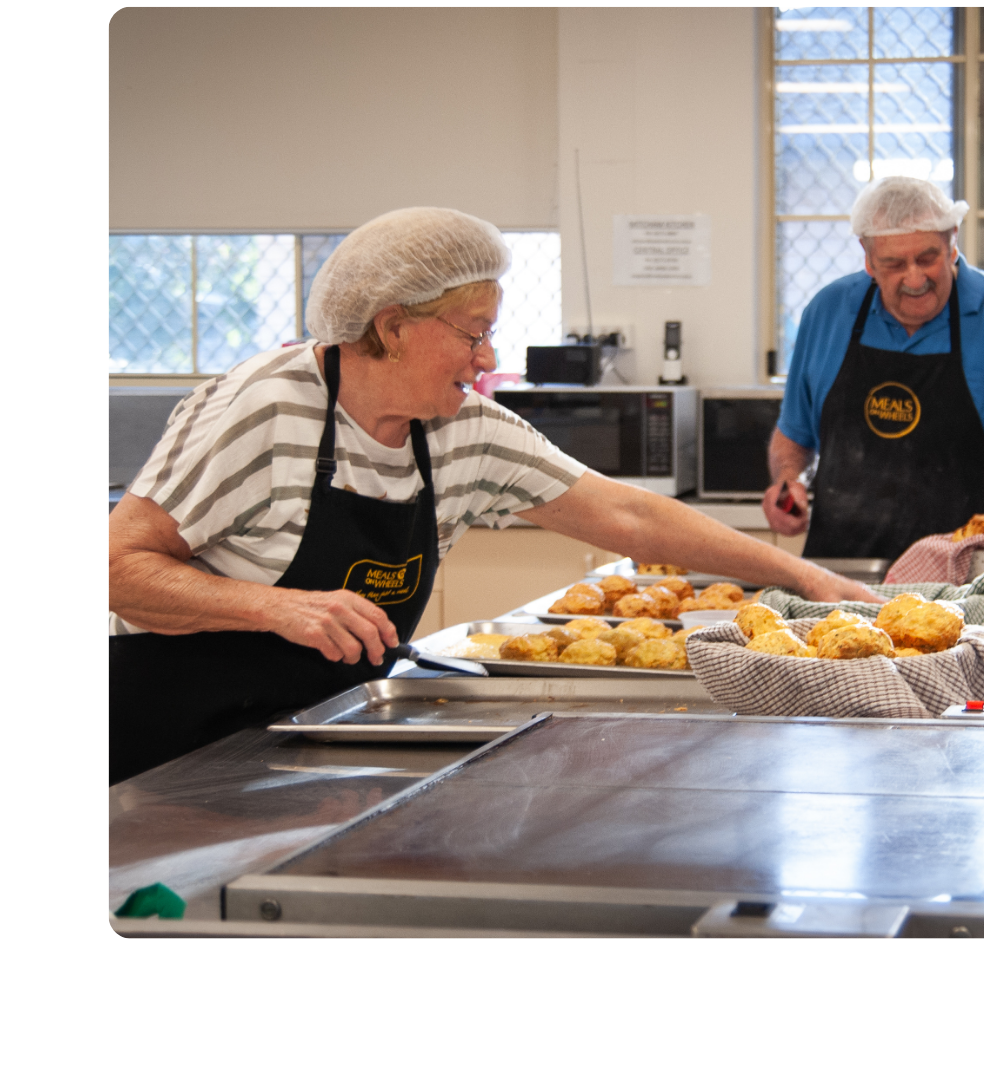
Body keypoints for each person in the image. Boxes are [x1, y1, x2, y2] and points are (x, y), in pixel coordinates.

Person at [109, 207, 879, 784]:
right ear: (394, 326)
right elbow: (115, 569)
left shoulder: (460, 430)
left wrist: (804, 578)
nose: (489, 359)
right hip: (172, 743)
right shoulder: (264, 407)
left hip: (312, 736)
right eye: (473, 333)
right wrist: (279, 608)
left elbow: (627, 513)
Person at [763, 177, 984, 559]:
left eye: (927, 258)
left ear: (952, 243)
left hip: (972, 575)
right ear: (867, 257)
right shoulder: (828, 313)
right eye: (894, 263)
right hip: (842, 574)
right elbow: (793, 437)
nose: (914, 278)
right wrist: (786, 481)